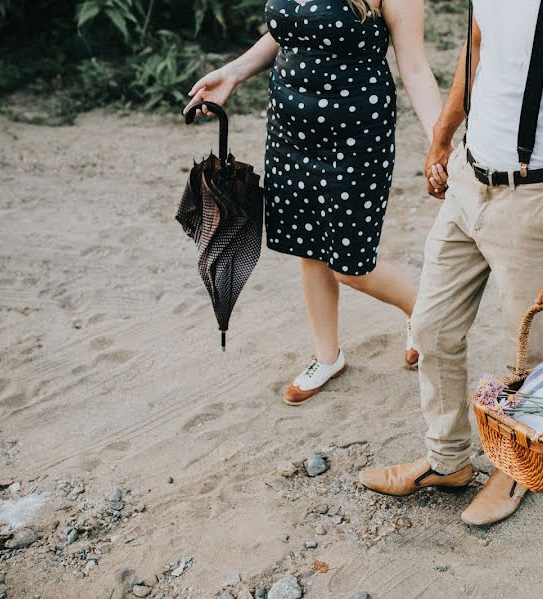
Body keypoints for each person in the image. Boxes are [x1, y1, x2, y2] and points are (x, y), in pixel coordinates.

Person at [359, 0, 543, 525]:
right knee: (431, 326)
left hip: (535, 197)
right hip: (469, 179)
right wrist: (443, 138)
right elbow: (478, 46)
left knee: (533, 356)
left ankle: (518, 469)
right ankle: (447, 460)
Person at [184, 0, 442, 405]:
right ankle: (328, 356)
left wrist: (438, 141)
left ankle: (425, 314)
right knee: (308, 249)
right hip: (289, 132)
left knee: (352, 267)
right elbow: (289, 29)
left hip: (356, 137)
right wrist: (234, 72)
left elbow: (414, 67)